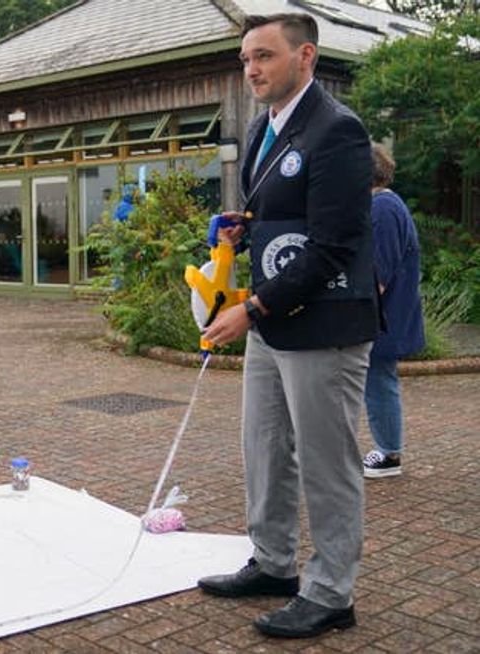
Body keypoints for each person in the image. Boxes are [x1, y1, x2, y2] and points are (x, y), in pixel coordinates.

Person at [197, 13, 379, 639]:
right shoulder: (261, 128)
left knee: (327, 462)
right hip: (273, 324)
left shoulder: (338, 130)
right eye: (246, 58)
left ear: (306, 56)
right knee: (265, 448)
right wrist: (242, 229)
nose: (251, 69)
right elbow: (281, 212)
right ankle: (274, 563)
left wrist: (251, 307)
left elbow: (333, 244)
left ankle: (330, 593)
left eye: (265, 56)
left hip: (322, 324)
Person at [362, 145, 425, 478]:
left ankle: (388, 454)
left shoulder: (383, 208)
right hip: (388, 316)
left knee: (379, 381)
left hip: (383, 318)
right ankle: (387, 449)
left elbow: (378, 274)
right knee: (378, 380)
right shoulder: (387, 205)